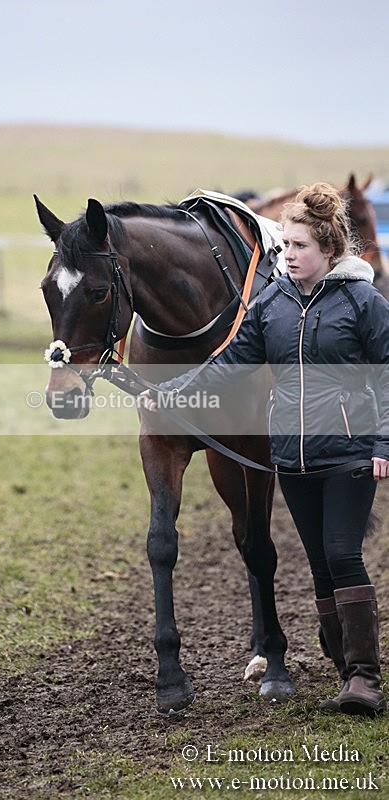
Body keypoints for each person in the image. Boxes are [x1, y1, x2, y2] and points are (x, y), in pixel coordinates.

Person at [139, 183, 389, 716]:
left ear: (329, 249)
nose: (288, 255)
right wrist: (172, 392)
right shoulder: (272, 302)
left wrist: (384, 442)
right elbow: (231, 363)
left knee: (342, 554)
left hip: (349, 448)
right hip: (292, 455)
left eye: (299, 246)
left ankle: (365, 678)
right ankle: (345, 668)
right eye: (285, 246)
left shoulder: (362, 301)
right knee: (319, 563)